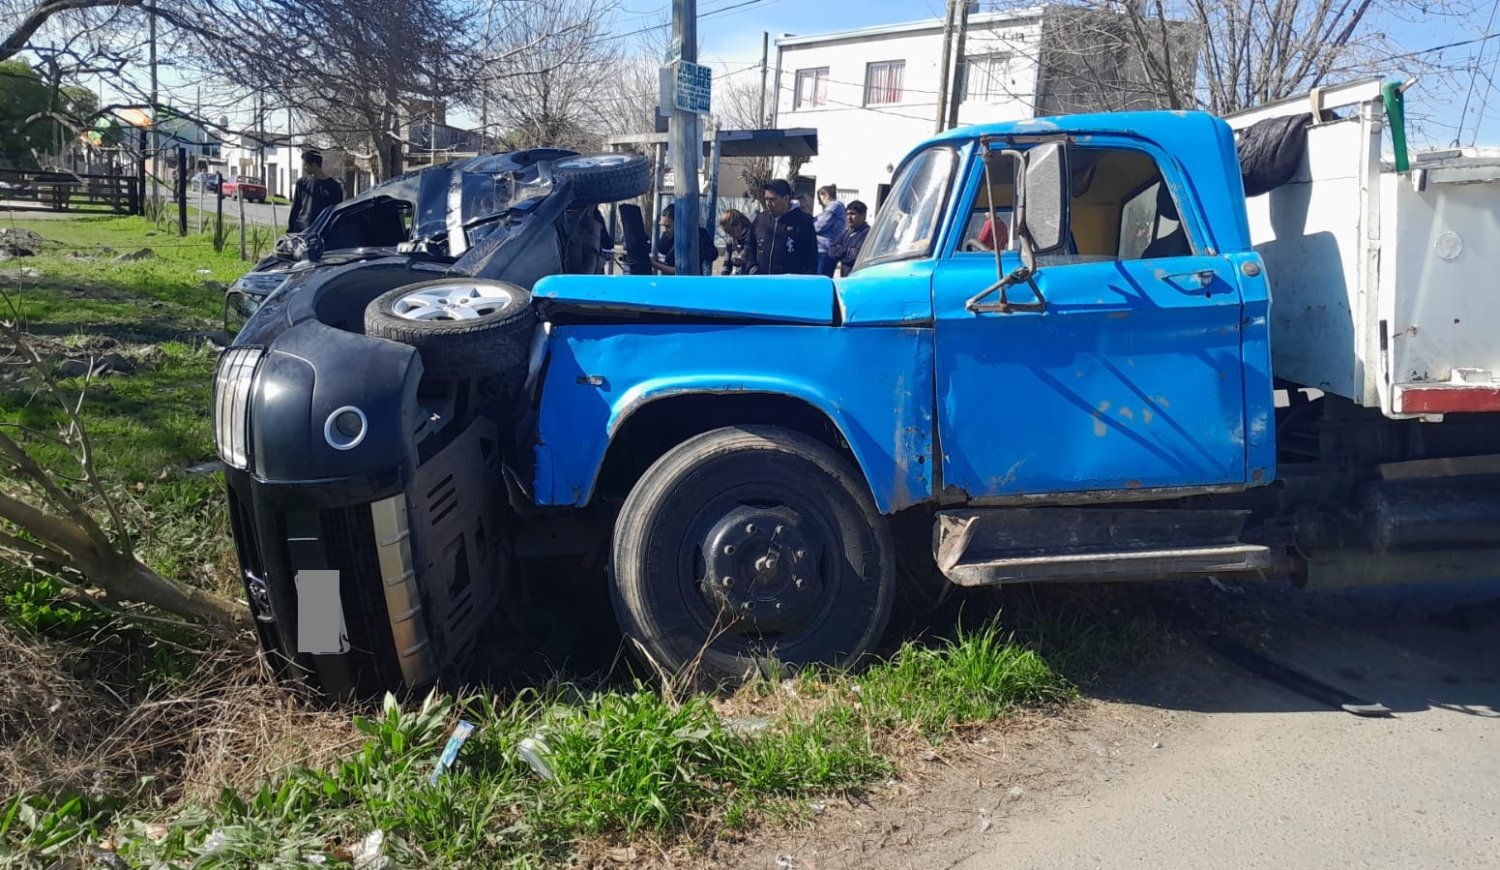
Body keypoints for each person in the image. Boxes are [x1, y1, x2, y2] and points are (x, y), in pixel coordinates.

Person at [752, 179, 818, 275]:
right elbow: (749, 245)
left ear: (786, 198)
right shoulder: (761, 219)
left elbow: (811, 256)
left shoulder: (802, 222)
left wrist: (806, 281)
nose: (768, 204)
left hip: (790, 284)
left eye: (772, 199)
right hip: (762, 281)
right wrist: (752, 267)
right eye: (766, 199)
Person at [287, 151, 344, 234]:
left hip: (323, 232)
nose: (303, 167)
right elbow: (295, 208)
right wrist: (291, 230)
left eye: (305, 164)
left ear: (314, 165)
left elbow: (337, 212)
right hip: (302, 231)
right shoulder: (302, 183)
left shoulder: (333, 186)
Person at [653, 207, 719, 275]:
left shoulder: (692, 240)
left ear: (678, 224)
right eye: (663, 226)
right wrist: (655, 262)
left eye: (668, 226)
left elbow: (681, 271)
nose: (664, 231)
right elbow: (670, 264)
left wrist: (655, 264)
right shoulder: (672, 239)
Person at [827, 200, 871, 277]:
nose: (849, 217)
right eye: (847, 214)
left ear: (863, 215)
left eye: (853, 214)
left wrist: (841, 251)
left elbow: (855, 257)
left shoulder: (868, 234)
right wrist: (846, 250)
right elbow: (831, 251)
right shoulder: (846, 232)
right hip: (845, 275)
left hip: (859, 276)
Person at [813, 184, 846, 276]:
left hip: (825, 249)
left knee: (820, 279)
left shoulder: (834, 206)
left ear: (826, 195)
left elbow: (821, 225)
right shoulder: (838, 207)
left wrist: (809, 225)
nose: (820, 202)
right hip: (827, 248)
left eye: (820, 198)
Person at [718, 209, 758, 275]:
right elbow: (726, 265)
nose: (731, 235)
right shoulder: (730, 242)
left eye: (732, 231)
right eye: (728, 233)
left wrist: (744, 261)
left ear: (739, 224)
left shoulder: (752, 237)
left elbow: (754, 260)